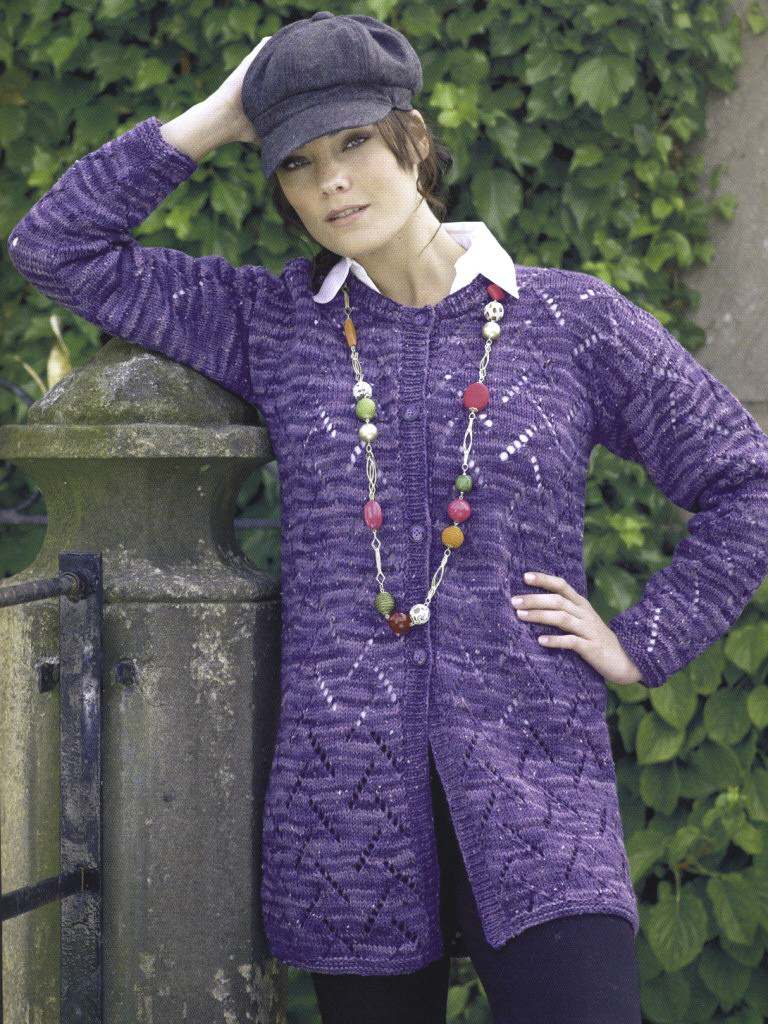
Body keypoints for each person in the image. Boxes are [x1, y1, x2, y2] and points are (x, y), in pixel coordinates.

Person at [7, 11, 768, 1023]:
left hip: (539, 800)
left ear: (413, 138)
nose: (330, 182)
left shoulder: (570, 319)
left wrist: (642, 641)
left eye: (354, 142)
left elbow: (746, 481)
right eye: (297, 162)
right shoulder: (273, 323)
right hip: (344, 818)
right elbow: (54, 246)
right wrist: (217, 117)